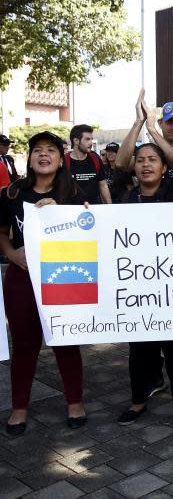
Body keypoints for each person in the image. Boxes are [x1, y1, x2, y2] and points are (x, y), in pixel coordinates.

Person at [116, 90, 173, 401]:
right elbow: (120, 164)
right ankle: (150, 383)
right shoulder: (134, 182)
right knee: (145, 332)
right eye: (167, 122)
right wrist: (139, 121)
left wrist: (151, 128)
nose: (172, 126)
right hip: (143, 266)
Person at [0, 131, 88, 436]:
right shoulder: (12, 193)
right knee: (24, 343)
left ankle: (74, 402)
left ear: (59, 158)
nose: (43, 155)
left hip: (63, 275)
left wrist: (62, 212)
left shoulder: (72, 193)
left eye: (51, 150)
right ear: (30, 157)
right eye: (37, 150)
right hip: (21, 278)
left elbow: (88, 230)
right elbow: (2, 233)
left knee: (65, 339)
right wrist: (11, 253)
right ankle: (19, 408)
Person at [66, 124, 111, 204]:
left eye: (91, 139)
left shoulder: (95, 159)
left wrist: (110, 206)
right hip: (71, 211)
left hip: (94, 211)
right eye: (87, 139)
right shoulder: (64, 161)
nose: (91, 143)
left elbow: (103, 185)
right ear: (76, 141)